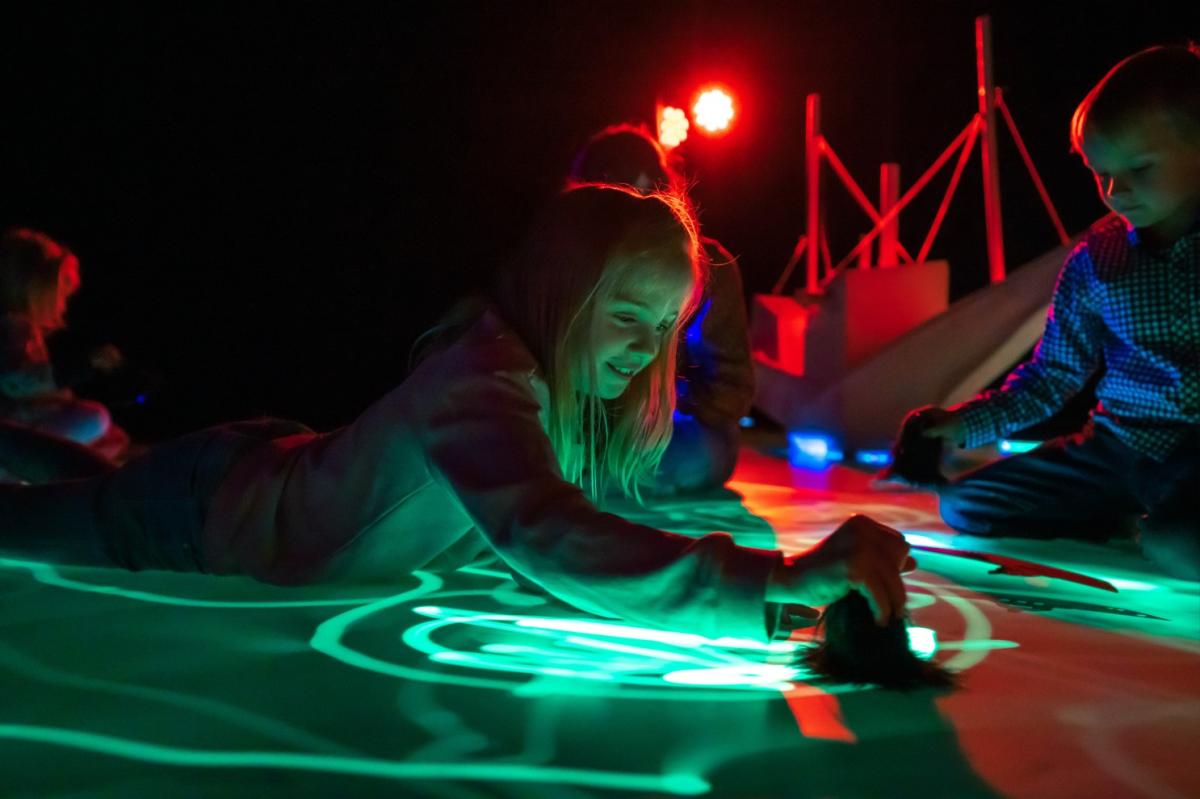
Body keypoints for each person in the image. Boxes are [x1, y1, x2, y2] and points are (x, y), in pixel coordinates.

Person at [0, 184, 914, 639]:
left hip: (252, 470)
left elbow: (561, 524)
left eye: (664, 327)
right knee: (34, 521)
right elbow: (545, 529)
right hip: (207, 509)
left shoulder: (538, 384)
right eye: (626, 316)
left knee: (88, 487)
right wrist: (769, 583)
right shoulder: (483, 379)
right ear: (561, 293)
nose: (646, 350)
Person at [911, 45, 1200, 580]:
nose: (1116, 192)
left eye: (1139, 168)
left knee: (1179, 546)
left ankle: (1152, 524)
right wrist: (961, 425)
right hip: (1116, 449)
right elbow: (1052, 376)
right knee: (964, 507)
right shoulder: (1096, 260)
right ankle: (1128, 516)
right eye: (1101, 174)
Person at [569, 124, 755, 494]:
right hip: (582, 423)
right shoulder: (569, 262)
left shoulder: (707, 266)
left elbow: (732, 389)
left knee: (699, 452)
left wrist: (655, 398)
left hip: (658, 429)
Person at [0, 228, 126, 457]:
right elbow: (15, 383)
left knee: (99, 427)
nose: (62, 307)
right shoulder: (13, 328)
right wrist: (82, 366)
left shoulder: (19, 328)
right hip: (11, 433)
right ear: (37, 288)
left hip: (19, 426)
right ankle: (18, 467)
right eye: (60, 296)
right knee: (95, 418)